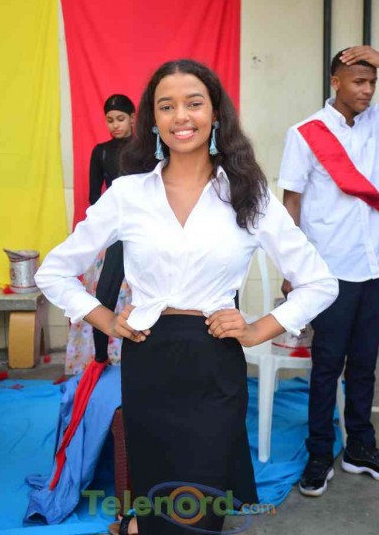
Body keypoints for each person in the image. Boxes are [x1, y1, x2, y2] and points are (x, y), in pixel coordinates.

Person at [35, 59, 337, 534]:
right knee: (158, 498)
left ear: (215, 113)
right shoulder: (128, 194)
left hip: (215, 363)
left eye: (194, 103)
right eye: (166, 106)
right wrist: (106, 319)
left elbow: (320, 282)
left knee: (199, 511)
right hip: (148, 360)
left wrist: (258, 329)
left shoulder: (248, 194)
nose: (181, 116)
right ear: (153, 121)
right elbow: (53, 272)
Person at [278, 45, 379, 497]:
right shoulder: (306, 133)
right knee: (326, 366)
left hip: (374, 267)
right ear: (335, 82)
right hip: (330, 270)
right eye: (358, 81)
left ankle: (359, 446)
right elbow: (292, 201)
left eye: (373, 81)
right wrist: (291, 267)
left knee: (365, 365)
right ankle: (319, 451)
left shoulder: (376, 124)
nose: (367, 90)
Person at [65, 94, 134, 375]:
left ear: (133, 118)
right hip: (114, 230)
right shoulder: (102, 152)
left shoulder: (144, 149)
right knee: (104, 292)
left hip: (144, 230)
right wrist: (104, 232)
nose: (115, 125)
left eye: (120, 119)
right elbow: (95, 196)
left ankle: (139, 354)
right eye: (110, 120)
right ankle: (101, 359)